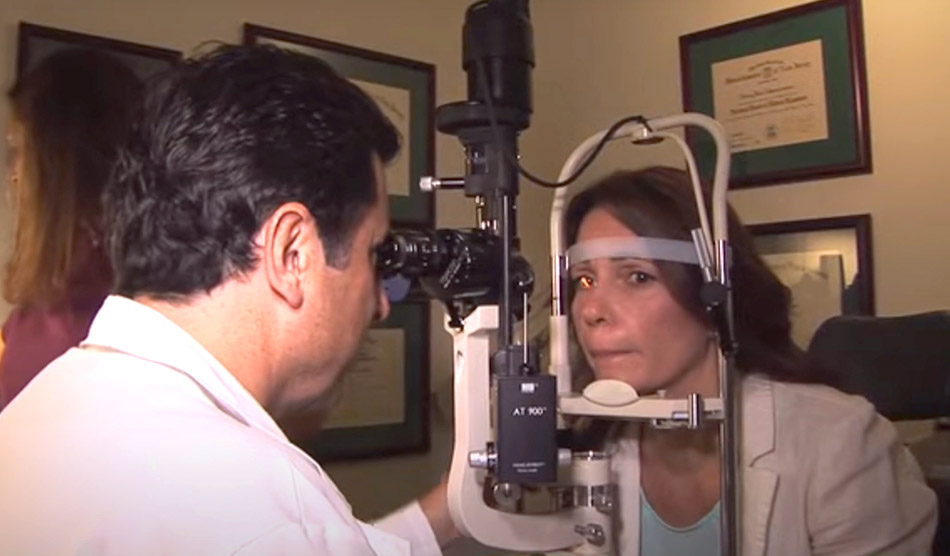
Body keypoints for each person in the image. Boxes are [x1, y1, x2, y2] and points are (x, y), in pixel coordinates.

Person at [0, 43, 457, 555]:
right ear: (293, 254)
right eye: (374, 253)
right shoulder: (259, 503)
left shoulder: (46, 410)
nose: (380, 303)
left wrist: (451, 510)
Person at [563, 166, 937, 555]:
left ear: (714, 300)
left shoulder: (839, 443)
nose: (591, 311)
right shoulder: (592, 443)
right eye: (584, 281)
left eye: (638, 277)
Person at [0, 48, 142, 408]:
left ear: (58, 163)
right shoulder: (53, 294)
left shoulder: (102, 308)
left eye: (20, 150)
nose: (13, 173)